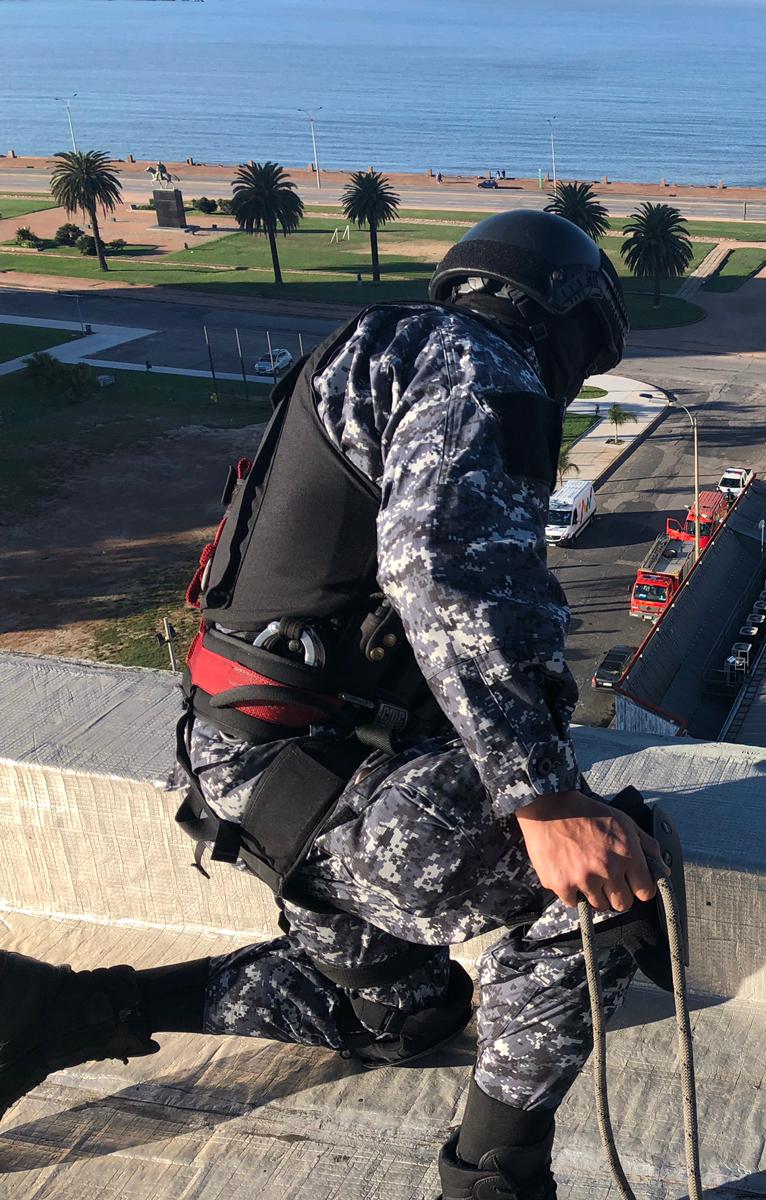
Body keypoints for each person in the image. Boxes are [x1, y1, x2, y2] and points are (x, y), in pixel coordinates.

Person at [0, 211, 653, 1200]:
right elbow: (445, 573)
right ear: (561, 317)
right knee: (612, 883)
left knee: (401, 1016)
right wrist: (546, 805)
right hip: (338, 780)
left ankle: (55, 1015)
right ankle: (492, 1183)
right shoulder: (485, 371)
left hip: (246, 770)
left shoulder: (368, 357)